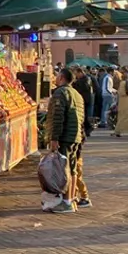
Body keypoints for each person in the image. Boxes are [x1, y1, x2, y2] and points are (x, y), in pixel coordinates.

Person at [46, 67, 87, 213]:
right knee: (73, 169)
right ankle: (71, 199)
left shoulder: (60, 93)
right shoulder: (77, 94)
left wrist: (54, 138)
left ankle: (66, 202)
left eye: (57, 76)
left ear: (62, 78)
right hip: (76, 137)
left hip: (65, 137)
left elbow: (58, 117)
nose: (55, 78)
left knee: (65, 170)